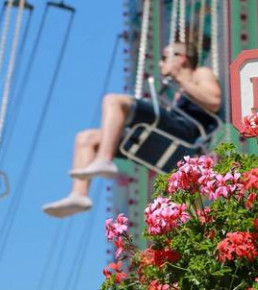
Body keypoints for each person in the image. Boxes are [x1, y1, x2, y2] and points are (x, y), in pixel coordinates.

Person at [42, 42, 221, 218]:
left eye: (165, 58)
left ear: (181, 59)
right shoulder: (179, 90)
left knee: (113, 101)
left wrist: (181, 79)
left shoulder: (200, 73)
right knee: (86, 138)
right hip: (169, 135)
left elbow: (214, 101)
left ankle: (105, 158)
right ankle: (79, 195)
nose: (160, 63)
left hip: (185, 134)